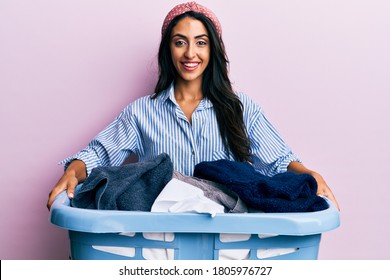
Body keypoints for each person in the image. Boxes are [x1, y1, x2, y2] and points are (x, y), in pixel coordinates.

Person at [47, 1, 339, 210]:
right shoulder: (141, 112)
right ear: (168, 49)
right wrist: (74, 169)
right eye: (180, 42)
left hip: (230, 239)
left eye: (200, 42)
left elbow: (278, 161)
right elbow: (99, 152)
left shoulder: (242, 107)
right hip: (161, 239)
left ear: (213, 49)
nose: (190, 53)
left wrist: (311, 176)